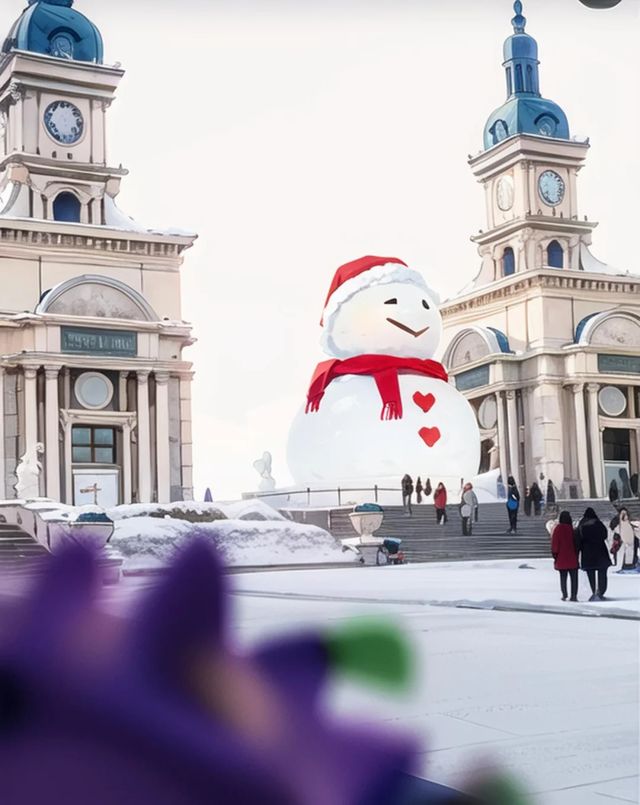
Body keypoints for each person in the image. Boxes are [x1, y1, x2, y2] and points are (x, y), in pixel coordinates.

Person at [575, 507, 611, 601]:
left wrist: (577, 553)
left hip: (587, 553)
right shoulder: (598, 523)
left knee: (591, 574)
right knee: (602, 573)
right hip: (600, 552)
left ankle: (594, 591)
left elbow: (578, 540)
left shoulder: (581, 525)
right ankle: (601, 591)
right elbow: (604, 535)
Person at [551, 511, 579, 601]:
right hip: (572, 558)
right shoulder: (572, 529)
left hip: (561, 558)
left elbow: (555, 544)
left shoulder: (557, 529)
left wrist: (555, 555)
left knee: (563, 578)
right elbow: (577, 544)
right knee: (574, 578)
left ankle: (564, 594)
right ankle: (574, 595)